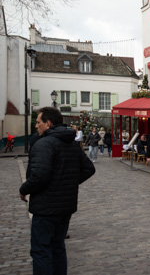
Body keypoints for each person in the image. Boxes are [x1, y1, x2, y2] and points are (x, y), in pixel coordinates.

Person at [19, 107, 95, 275]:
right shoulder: (72, 144)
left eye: (38, 122)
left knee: (42, 251)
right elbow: (88, 169)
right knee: (58, 247)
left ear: (48, 123)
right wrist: (67, 183)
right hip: (65, 206)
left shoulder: (44, 143)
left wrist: (24, 189)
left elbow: (39, 176)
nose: (36, 126)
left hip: (46, 207)